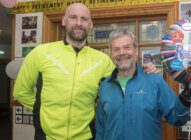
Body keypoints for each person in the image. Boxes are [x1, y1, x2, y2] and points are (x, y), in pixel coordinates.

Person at [13, 3, 157, 140]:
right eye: (73, 17)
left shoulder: (102, 60)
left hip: (87, 136)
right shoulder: (41, 52)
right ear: (64, 21)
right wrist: (45, 109)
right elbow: (21, 91)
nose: (79, 23)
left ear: (91, 24)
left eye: (84, 19)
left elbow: (127, 80)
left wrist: (145, 71)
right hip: (45, 137)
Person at [95, 29, 191, 140]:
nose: (122, 53)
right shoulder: (105, 86)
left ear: (136, 50)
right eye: (116, 49)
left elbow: (177, 118)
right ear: (111, 54)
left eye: (127, 47)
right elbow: (101, 130)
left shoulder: (154, 81)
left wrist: (184, 101)